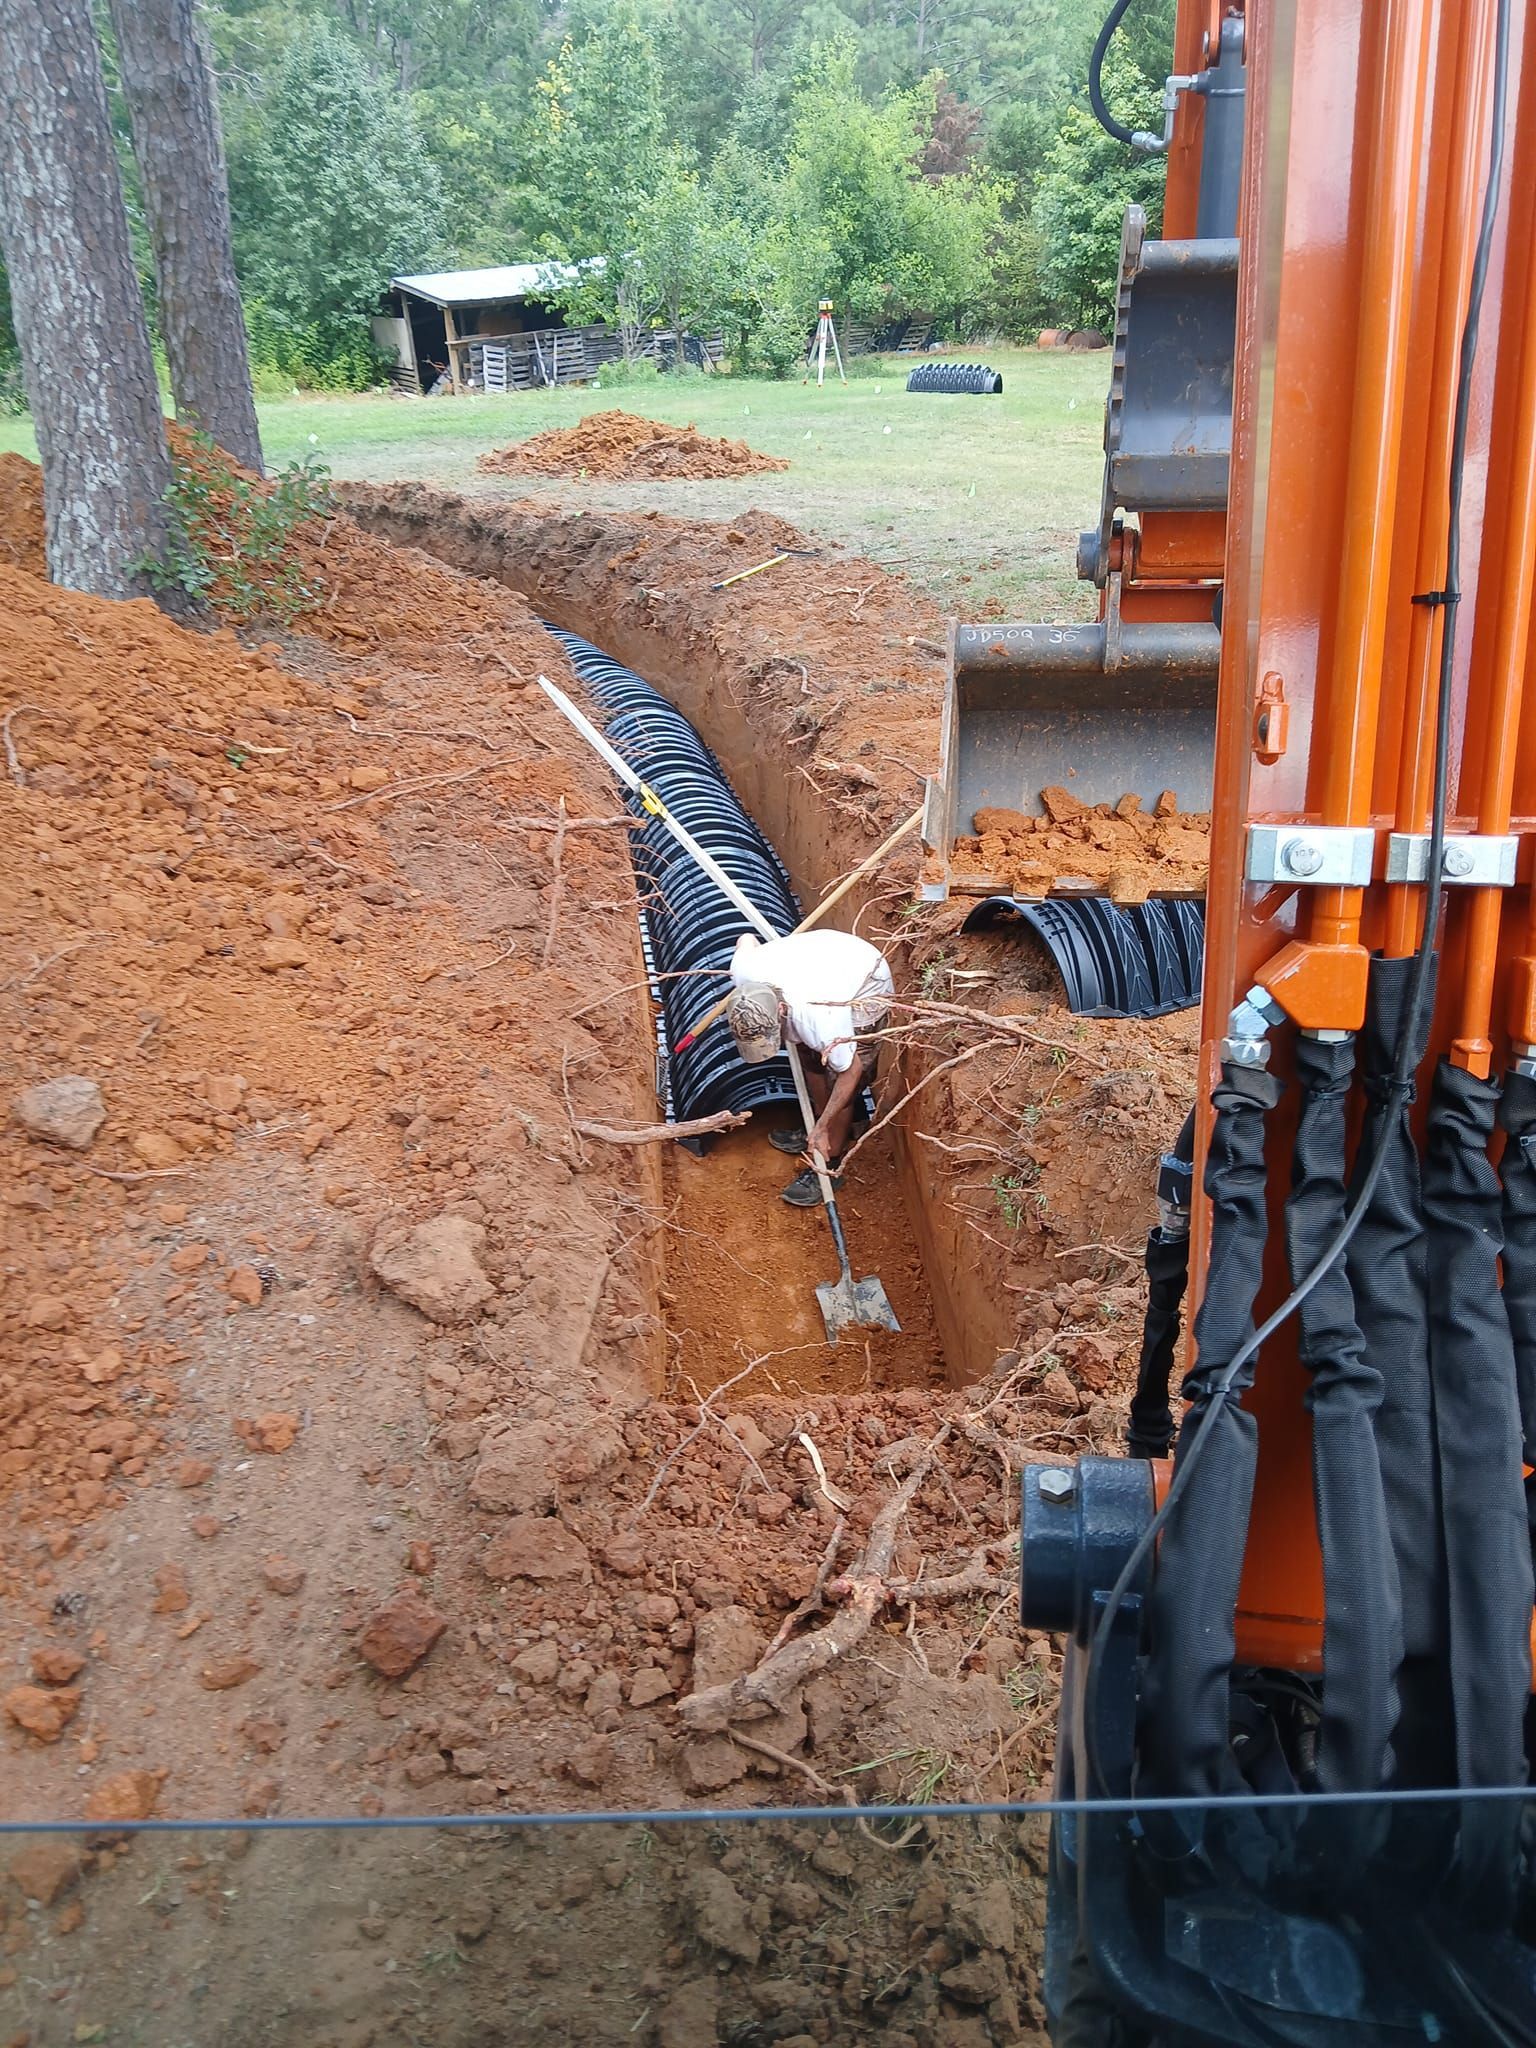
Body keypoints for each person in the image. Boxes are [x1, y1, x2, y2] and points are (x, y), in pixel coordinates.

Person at [726, 927, 894, 1207]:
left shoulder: (821, 1018)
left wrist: (825, 1124)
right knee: (810, 1059)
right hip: (821, 966)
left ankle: (831, 1159)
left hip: (866, 987)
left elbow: (849, 1071)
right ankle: (816, 1127)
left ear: (780, 1011)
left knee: (841, 1080)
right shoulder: (744, 975)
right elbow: (745, 938)